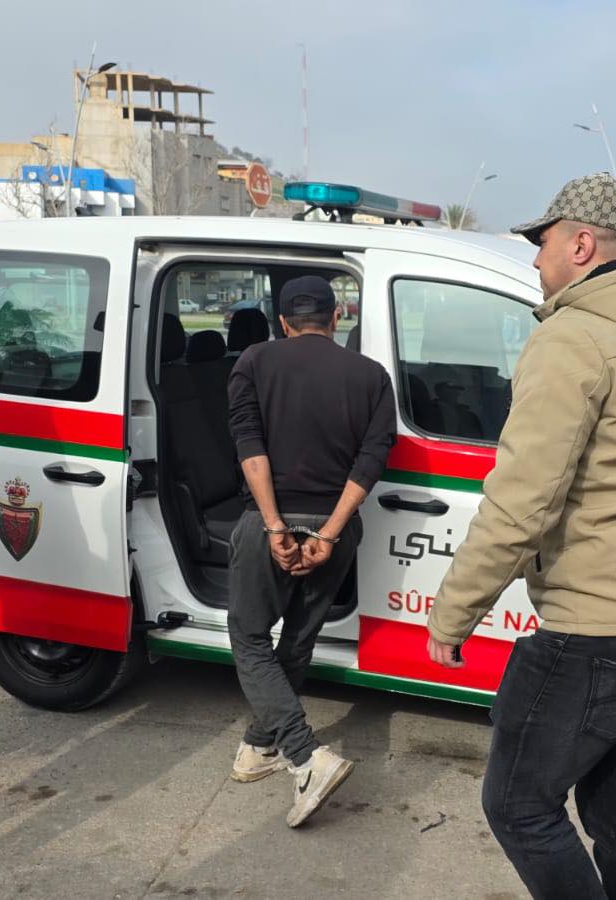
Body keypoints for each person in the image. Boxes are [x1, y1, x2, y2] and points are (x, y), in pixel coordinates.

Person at [423, 173, 616, 899]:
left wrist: (453, 612)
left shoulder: (570, 338)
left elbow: (522, 502)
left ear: (583, 243)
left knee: (517, 805)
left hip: (599, 630)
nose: (536, 258)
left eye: (543, 242)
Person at [225, 275, 396, 828]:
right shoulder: (371, 375)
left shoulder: (253, 361)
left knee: (249, 636)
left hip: (267, 519)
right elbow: (371, 460)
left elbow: (249, 446)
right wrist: (328, 533)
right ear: (336, 317)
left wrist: (275, 525)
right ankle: (260, 746)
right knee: (298, 637)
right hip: (335, 528)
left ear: (282, 322)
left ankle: (304, 755)